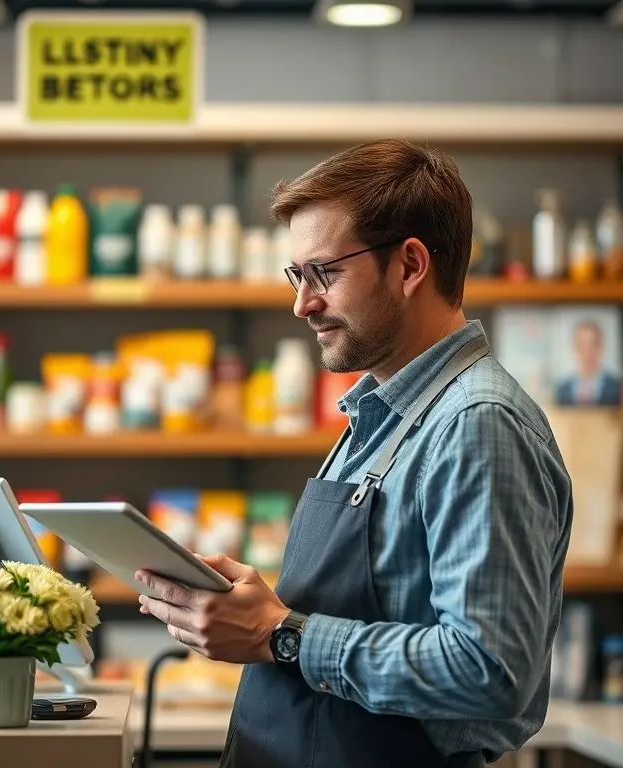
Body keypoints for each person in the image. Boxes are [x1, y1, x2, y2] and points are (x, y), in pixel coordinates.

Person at [136, 139, 574, 767]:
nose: (302, 304)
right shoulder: (378, 416)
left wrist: (281, 635)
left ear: (410, 265)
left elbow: (490, 672)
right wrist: (252, 607)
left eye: (324, 274)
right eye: (297, 276)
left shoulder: (478, 424)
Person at [555, 319, 620, 406]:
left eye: (592, 345)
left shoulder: (616, 387)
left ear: (601, 347)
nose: (587, 354)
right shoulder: (562, 389)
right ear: (573, 348)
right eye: (581, 346)